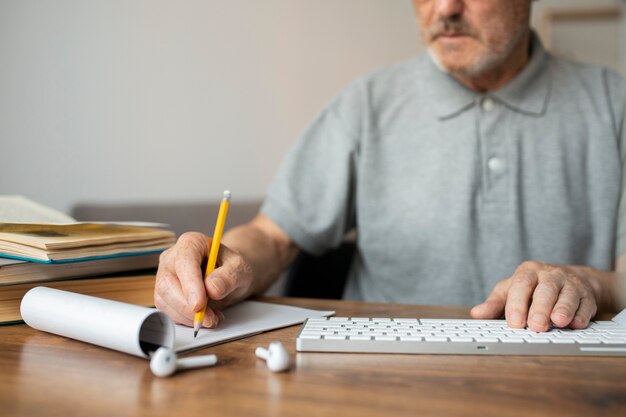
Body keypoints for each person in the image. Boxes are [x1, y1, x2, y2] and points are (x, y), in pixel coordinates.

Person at [155, 0, 626, 333]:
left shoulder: (614, 104)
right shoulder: (365, 105)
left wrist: (591, 284)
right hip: (387, 375)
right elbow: (273, 237)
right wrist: (218, 262)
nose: (444, 8)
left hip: (561, 372)